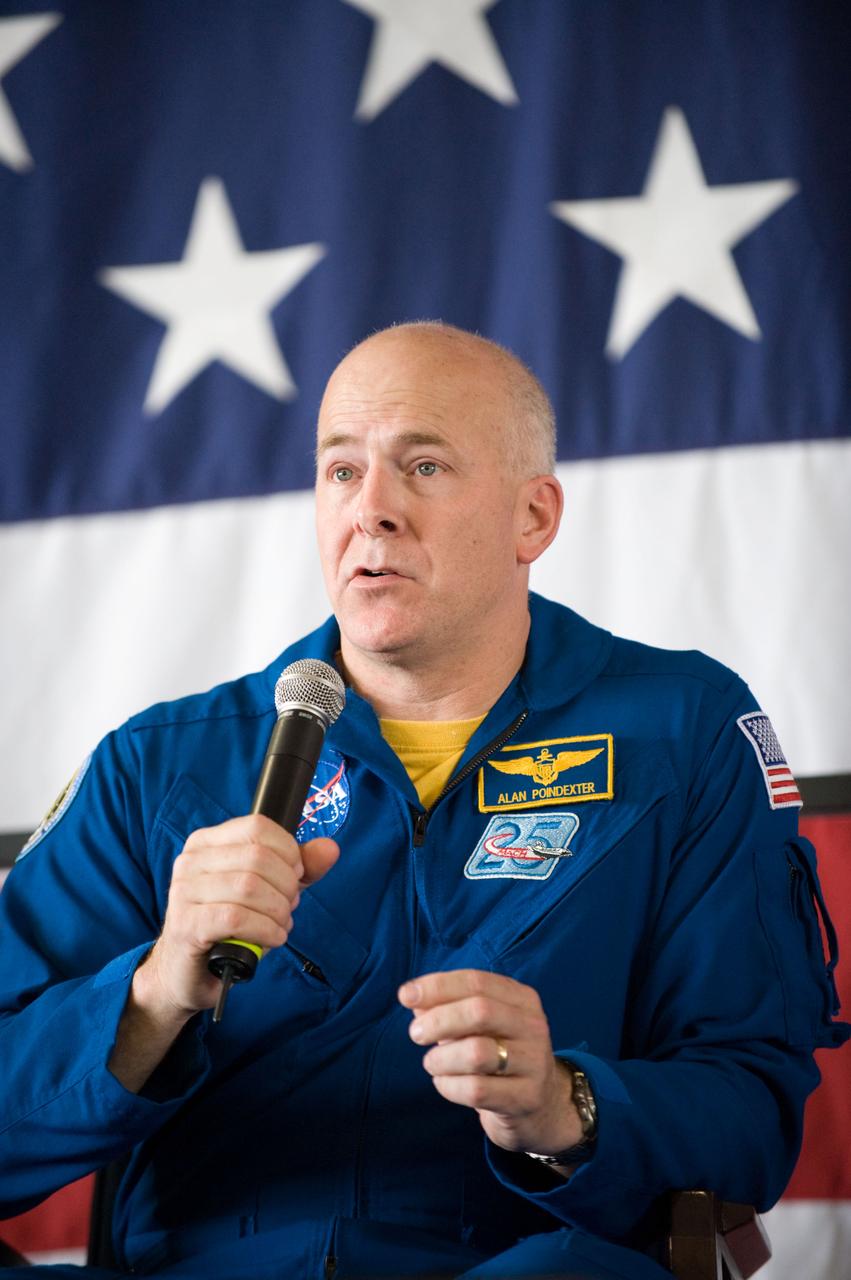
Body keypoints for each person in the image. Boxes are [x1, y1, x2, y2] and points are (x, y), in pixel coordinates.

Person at [0, 322, 847, 1280]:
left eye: (426, 467)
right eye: (339, 472)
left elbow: (748, 1109)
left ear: (534, 519)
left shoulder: (682, 730)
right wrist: (154, 992)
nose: (373, 511)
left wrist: (563, 1104)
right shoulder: (161, 765)